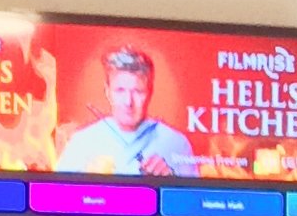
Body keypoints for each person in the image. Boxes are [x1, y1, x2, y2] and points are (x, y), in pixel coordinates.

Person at [56, 47, 199, 177]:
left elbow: (194, 196)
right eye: (120, 90)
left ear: (150, 92)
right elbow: (54, 193)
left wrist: (169, 179)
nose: (128, 102)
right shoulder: (82, 142)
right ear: (107, 92)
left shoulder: (176, 143)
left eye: (137, 91)